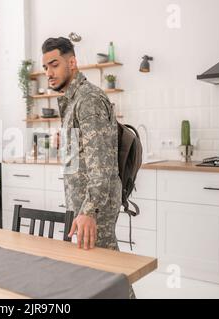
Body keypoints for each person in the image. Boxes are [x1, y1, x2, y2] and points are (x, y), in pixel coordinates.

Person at [41, 37, 135, 299]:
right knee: (97, 274)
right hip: (82, 204)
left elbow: (102, 163)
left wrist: (89, 210)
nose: (49, 72)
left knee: (107, 275)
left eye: (55, 64)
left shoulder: (88, 99)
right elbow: (86, 153)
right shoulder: (72, 100)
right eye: (46, 67)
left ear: (72, 62)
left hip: (93, 206)